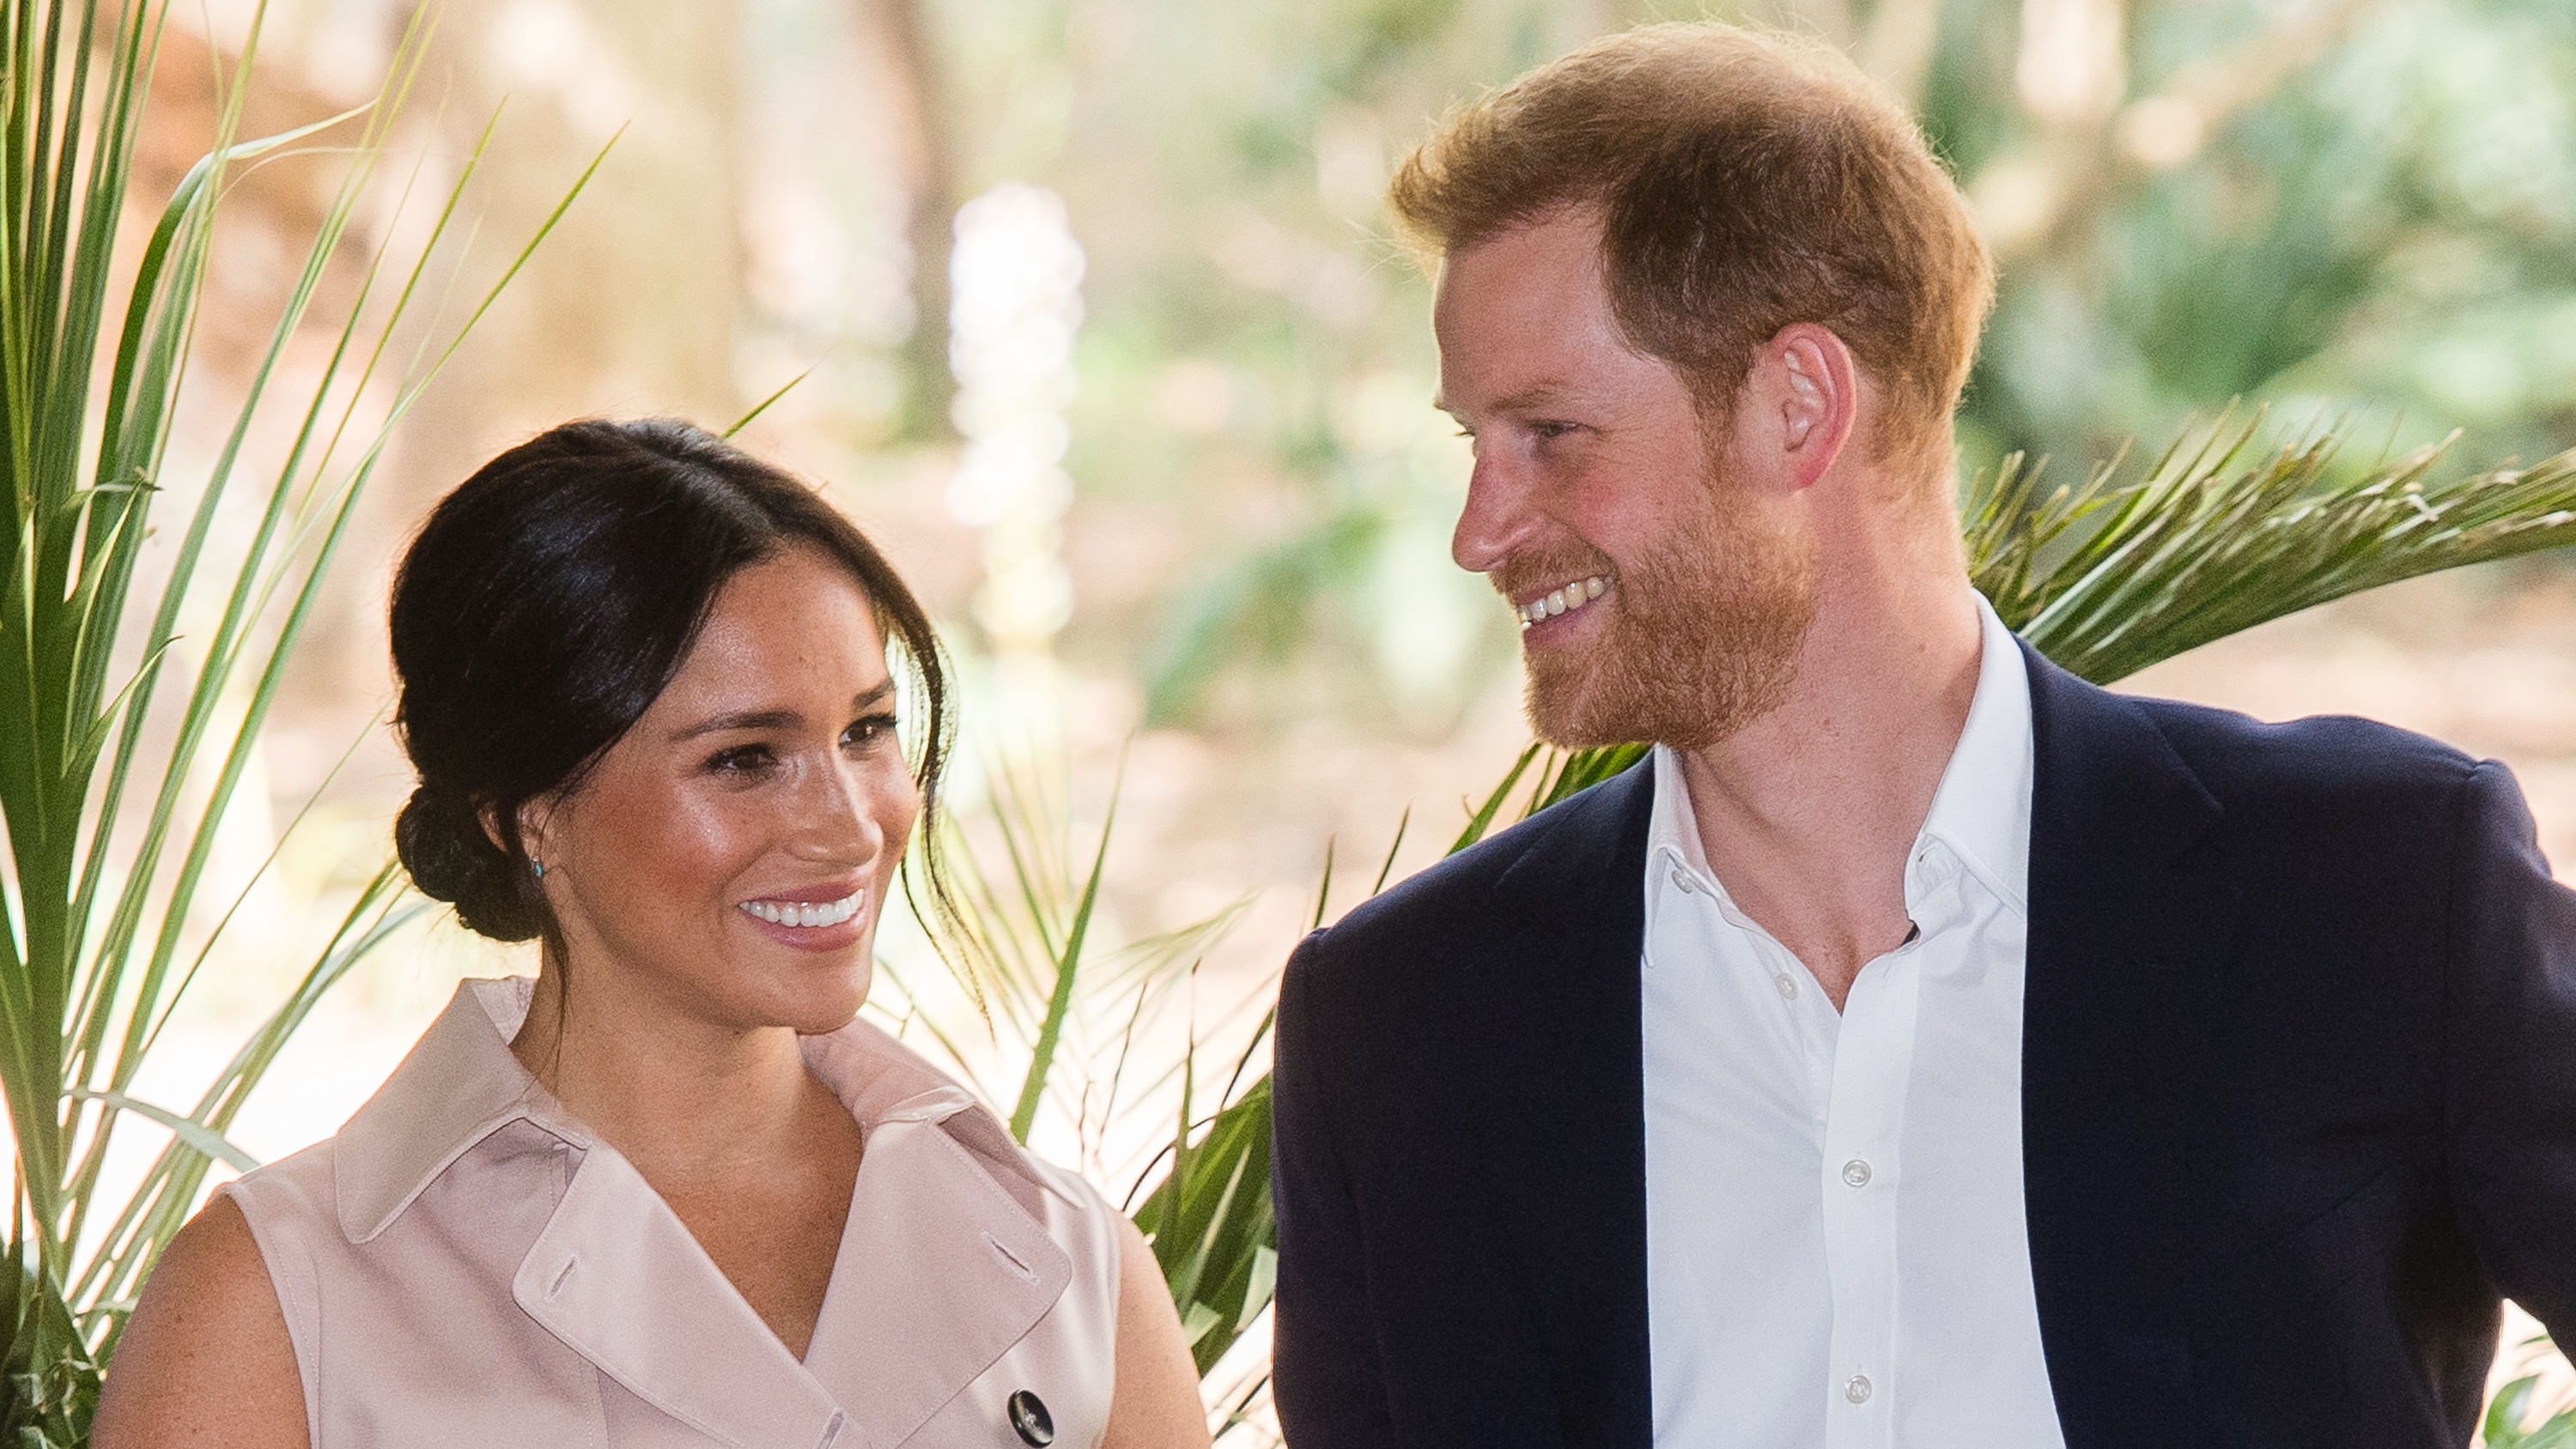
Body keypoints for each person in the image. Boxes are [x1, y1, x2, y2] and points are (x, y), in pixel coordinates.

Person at [1268, 21, 2576, 1449]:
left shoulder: (2372, 889)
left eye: (1552, 433)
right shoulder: (1401, 1029)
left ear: (1799, 406)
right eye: (1474, 443)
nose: (1479, 532)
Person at [95, 420, 1211, 1449]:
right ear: (527, 811)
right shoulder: (277, 1300)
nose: (850, 822)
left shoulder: (1072, 1258)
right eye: (743, 758)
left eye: (868, 731)